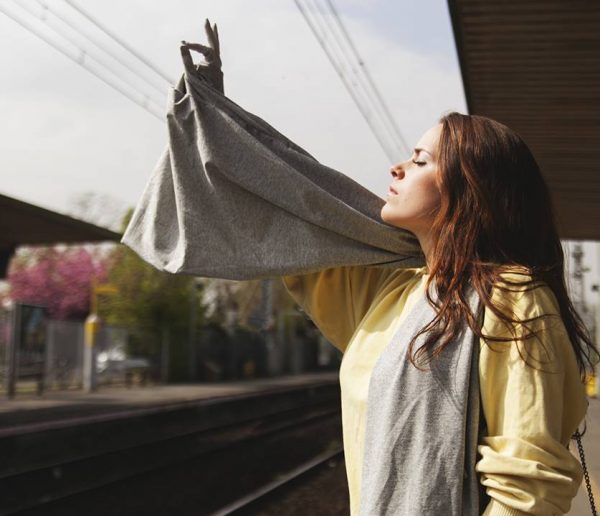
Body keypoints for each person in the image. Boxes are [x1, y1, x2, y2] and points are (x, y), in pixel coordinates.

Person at [180, 20, 598, 515]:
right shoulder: (396, 292)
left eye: (420, 160)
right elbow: (295, 216)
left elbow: (530, 491)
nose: (397, 168)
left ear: (472, 190)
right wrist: (219, 121)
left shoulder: (517, 300)